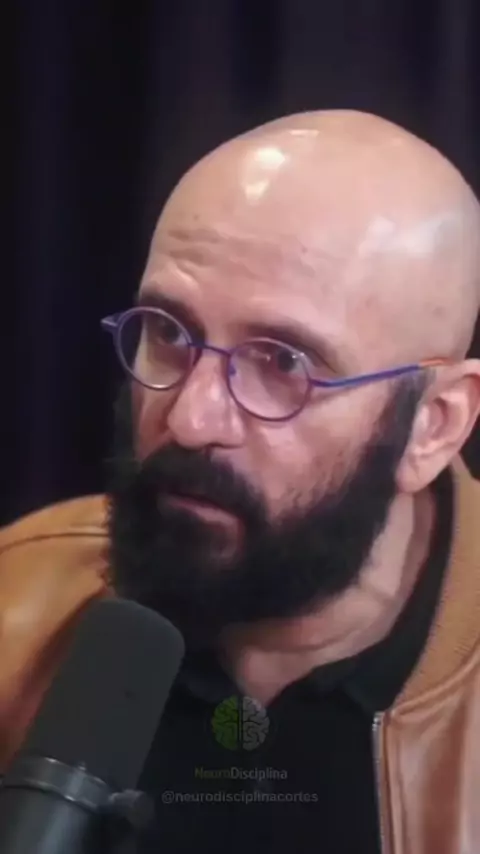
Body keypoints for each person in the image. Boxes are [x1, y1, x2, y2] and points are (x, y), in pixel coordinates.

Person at [1, 110, 480, 854]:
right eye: (169, 331)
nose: (189, 419)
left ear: (433, 426)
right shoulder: (17, 601)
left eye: (284, 362)